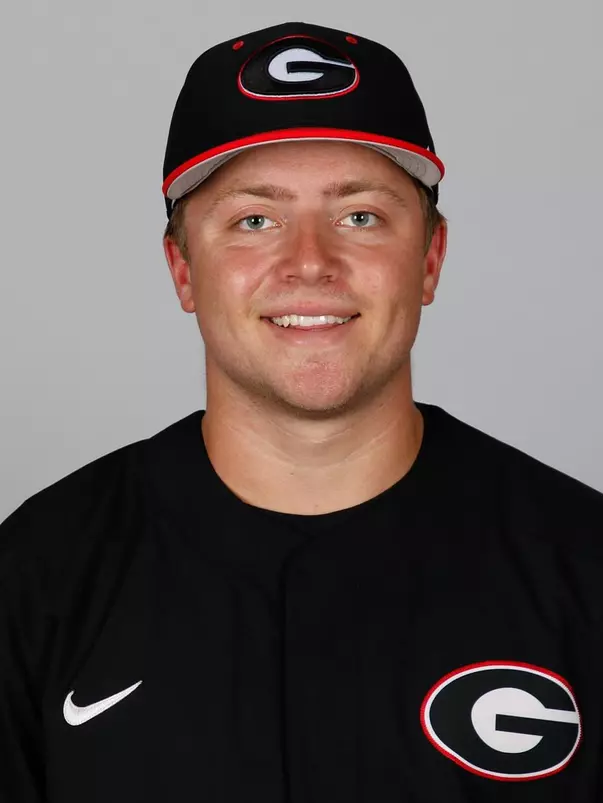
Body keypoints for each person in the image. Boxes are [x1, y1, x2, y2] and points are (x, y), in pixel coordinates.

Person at [1, 20, 602, 802]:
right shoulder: (38, 576)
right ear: (183, 269)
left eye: (360, 216)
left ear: (429, 259)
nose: (310, 262)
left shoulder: (581, 565)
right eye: (254, 220)